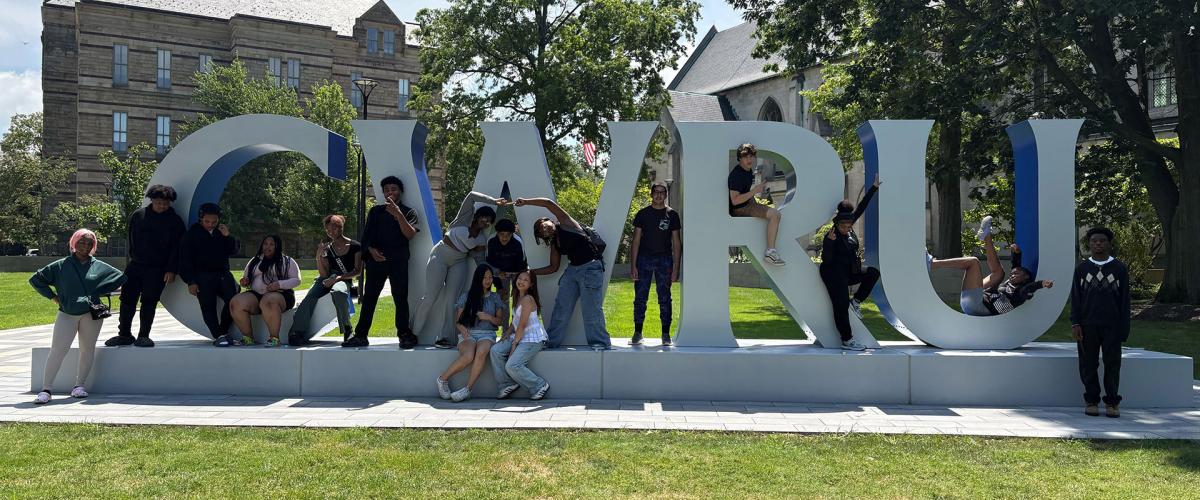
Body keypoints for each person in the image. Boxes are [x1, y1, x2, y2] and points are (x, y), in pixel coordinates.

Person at [29, 229, 126, 404]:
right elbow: (36, 280)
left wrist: (105, 291)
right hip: (67, 313)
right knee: (58, 350)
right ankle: (46, 389)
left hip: (90, 315)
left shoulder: (99, 266)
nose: (86, 246)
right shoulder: (60, 265)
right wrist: (52, 297)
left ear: (94, 246)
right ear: (74, 243)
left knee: (87, 350)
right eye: (82, 242)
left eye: (90, 243)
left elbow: (121, 279)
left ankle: (79, 386)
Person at [519, 196, 611, 350]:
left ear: (550, 220)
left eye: (544, 225)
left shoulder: (566, 223)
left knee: (591, 308)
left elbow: (548, 203)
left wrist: (526, 202)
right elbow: (552, 267)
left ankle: (600, 343)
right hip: (573, 270)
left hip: (591, 268)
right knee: (561, 307)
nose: (545, 229)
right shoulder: (555, 244)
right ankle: (551, 343)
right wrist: (529, 271)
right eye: (541, 231)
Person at [415, 191, 503, 349]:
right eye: (484, 217)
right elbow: (471, 195)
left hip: (459, 262)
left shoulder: (481, 239)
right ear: (477, 215)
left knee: (452, 300)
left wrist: (497, 273)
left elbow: (481, 262)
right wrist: (494, 202)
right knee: (430, 296)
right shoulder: (463, 219)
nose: (486, 222)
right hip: (440, 256)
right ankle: (412, 333)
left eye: (489, 221)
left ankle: (445, 338)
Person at [107, 184, 185, 348]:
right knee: (127, 300)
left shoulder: (175, 221)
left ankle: (144, 335)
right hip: (135, 266)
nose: (162, 206)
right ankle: (124, 334)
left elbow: (178, 248)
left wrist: (172, 269)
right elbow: (131, 240)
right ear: (151, 200)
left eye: (165, 203)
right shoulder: (138, 215)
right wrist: (129, 265)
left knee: (149, 301)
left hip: (158, 269)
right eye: (158, 203)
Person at [930, 216, 1054, 318]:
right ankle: (986, 236)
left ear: (1026, 276)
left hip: (977, 305)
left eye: (1016, 274)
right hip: (979, 298)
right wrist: (1017, 253)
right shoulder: (1013, 282)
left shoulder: (1020, 293)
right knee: (999, 273)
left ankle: (933, 264)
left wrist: (1041, 284)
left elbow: (1027, 289)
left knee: (973, 262)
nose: (1012, 275)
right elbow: (1015, 266)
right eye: (1013, 274)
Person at [350, 176, 420, 348]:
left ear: (400, 191)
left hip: (399, 262)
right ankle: (360, 335)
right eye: (387, 189)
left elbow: (410, 234)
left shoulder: (409, 212)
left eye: (393, 189)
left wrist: (398, 215)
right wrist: (371, 251)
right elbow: (365, 239)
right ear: (383, 193)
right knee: (369, 298)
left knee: (400, 298)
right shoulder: (375, 212)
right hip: (376, 262)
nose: (390, 192)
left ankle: (404, 334)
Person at [1070, 227, 1130, 418]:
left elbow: (1124, 300)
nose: (1098, 244)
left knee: (1113, 363)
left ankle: (1112, 403)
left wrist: (1123, 327)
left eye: (1102, 241)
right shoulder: (1082, 269)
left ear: (1109, 244)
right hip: (1087, 325)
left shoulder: (1119, 269)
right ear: (1089, 243)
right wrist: (1075, 322)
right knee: (1088, 363)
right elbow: (1076, 298)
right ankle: (1091, 400)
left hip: (1112, 325)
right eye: (1094, 241)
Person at [819, 175, 881, 351]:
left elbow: (861, 206)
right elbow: (827, 260)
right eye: (843, 227)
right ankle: (847, 340)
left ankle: (857, 301)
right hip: (833, 274)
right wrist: (829, 243)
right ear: (837, 224)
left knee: (873, 272)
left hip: (849, 271)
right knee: (840, 305)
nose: (846, 229)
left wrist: (874, 187)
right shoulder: (831, 235)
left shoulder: (849, 225)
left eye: (849, 226)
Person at [436, 264, 508, 402]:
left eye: (490, 277)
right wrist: (463, 331)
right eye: (485, 277)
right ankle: (442, 379)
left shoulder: (494, 297)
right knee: (469, 355)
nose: (488, 280)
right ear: (477, 278)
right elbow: (458, 322)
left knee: (481, 352)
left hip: (487, 335)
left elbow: (499, 322)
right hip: (468, 333)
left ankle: (467, 389)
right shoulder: (467, 296)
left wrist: (487, 317)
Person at [288, 215, 361, 345]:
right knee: (310, 297)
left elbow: (358, 271)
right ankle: (296, 332)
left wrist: (338, 278)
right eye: (328, 230)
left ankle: (347, 330)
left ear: (341, 227)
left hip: (343, 278)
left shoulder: (355, 246)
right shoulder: (327, 248)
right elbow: (323, 273)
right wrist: (319, 257)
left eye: (334, 228)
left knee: (339, 292)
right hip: (327, 278)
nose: (331, 232)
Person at [178, 203, 240, 346]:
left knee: (234, 300)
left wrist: (227, 237)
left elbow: (233, 250)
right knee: (208, 306)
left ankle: (223, 332)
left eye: (214, 221)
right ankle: (218, 335)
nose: (210, 225)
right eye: (207, 221)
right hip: (202, 276)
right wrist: (191, 281)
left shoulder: (221, 233)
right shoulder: (191, 235)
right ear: (201, 218)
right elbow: (185, 260)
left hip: (223, 274)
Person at [629, 182, 681, 346]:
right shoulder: (642, 214)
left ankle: (665, 334)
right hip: (644, 259)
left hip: (664, 260)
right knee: (640, 298)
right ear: (651, 194)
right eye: (656, 192)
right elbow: (635, 241)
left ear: (666, 195)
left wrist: (676, 268)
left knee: (665, 298)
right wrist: (633, 265)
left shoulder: (672, 215)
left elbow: (677, 243)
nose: (659, 195)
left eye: (662, 192)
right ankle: (638, 332)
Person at [228, 235, 301, 347]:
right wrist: (245, 281)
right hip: (256, 295)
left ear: (278, 246)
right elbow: (247, 277)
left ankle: (274, 339)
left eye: (271, 244)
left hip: (281, 295)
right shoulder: (255, 261)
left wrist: (279, 284)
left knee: (268, 301)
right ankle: (248, 337)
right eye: (265, 244)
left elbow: (297, 280)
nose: (268, 247)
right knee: (236, 302)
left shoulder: (287, 261)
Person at [489, 269, 551, 400]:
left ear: (531, 285)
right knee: (495, 350)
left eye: (525, 280)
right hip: (519, 335)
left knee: (512, 365)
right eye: (520, 278)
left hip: (533, 339)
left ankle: (539, 385)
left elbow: (522, 325)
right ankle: (507, 384)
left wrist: (513, 346)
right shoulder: (517, 296)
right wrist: (506, 335)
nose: (521, 281)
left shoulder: (528, 299)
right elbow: (515, 322)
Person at [728, 143, 784, 266]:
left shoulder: (748, 171)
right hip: (739, 209)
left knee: (776, 215)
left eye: (751, 156)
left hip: (746, 205)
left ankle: (770, 251)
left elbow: (746, 193)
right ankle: (770, 252)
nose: (749, 160)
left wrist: (756, 200)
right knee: (775, 215)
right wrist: (755, 191)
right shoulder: (736, 174)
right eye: (745, 157)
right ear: (739, 158)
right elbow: (735, 200)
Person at [486, 218, 527, 307]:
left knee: (518, 298)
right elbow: (489, 263)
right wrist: (499, 286)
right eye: (502, 234)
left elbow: (522, 265)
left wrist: (518, 285)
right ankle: (503, 321)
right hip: (500, 272)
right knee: (503, 299)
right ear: (497, 232)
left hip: (516, 272)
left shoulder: (518, 242)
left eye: (508, 234)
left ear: (512, 234)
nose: (504, 238)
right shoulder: (491, 241)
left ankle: (517, 320)